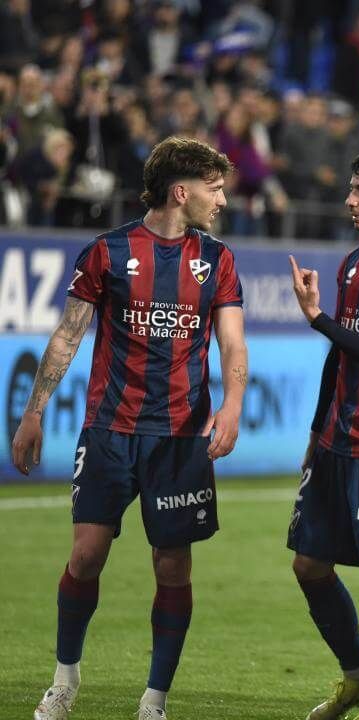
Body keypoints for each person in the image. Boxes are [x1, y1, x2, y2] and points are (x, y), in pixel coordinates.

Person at [11, 136, 248, 720]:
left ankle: (154, 700)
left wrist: (234, 403)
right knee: (87, 556)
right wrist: (35, 411)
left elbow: (233, 342)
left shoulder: (216, 259)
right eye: (213, 189)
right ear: (180, 191)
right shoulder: (108, 252)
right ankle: (65, 680)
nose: (221, 199)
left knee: (172, 565)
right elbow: (68, 334)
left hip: (179, 437)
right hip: (110, 431)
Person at [286, 150, 359, 720]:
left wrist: (317, 320)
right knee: (308, 564)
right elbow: (340, 356)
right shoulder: (353, 264)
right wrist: (314, 431)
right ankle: (357, 674)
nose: (350, 202)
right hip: (335, 439)